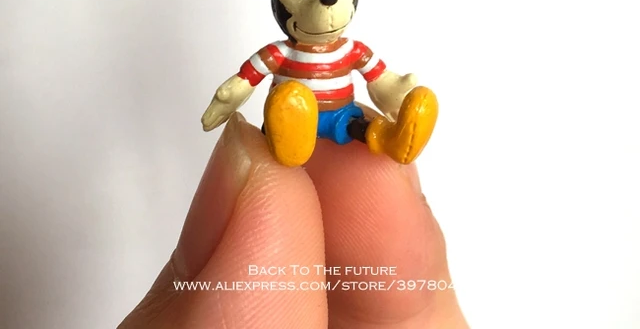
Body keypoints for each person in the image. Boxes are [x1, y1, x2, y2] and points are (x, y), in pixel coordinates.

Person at [119, 109, 469, 328]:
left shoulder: (349, 51)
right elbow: (249, 76)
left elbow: (378, 77)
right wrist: (226, 100)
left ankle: (394, 136)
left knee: (365, 129)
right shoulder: (281, 55)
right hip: (296, 112)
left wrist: (395, 93)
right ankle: (289, 138)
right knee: (290, 110)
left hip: (342, 118)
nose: (326, 10)